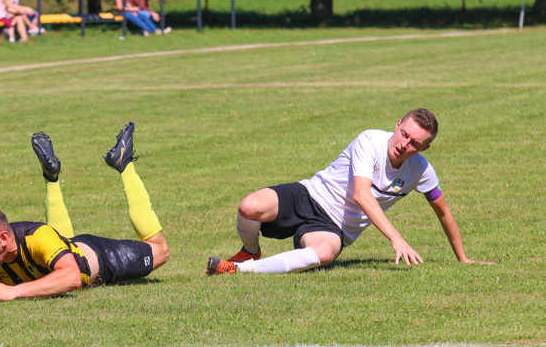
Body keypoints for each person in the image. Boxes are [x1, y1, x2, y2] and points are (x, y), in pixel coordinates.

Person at [207, 109, 491, 276]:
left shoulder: (421, 170)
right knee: (249, 206)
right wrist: (396, 239)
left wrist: (463, 259)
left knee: (325, 253)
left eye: (415, 143)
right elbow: (361, 195)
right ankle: (251, 252)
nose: (405, 144)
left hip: (334, 227)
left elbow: (443, 212)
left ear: (424, 148)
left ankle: (238, 271)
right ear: (397, 126)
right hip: (308, 195)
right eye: (404, 134)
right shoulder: (370, 139)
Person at [0, 122, 170, 301]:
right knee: (60, 245)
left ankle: (124, 164)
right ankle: (51, 178)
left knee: (159, 250)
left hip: (98, 257)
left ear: (3, 238)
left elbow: (72, 278)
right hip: (66, 247)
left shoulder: (36, 237)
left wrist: (14, 292)